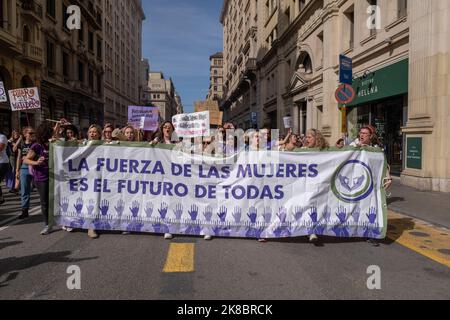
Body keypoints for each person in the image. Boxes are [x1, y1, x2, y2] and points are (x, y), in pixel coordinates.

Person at [23, 123, 53, 235]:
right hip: (41, 178)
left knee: (54, 199)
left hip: (54, 177)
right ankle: (47, 224)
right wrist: (36, 162)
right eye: (49, 132)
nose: (51, 134)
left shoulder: (52, 144)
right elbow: (26, 160)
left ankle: (57, 220)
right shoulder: (36, 146)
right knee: (44, 201)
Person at [151, 121, 179, 240]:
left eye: (169, 127)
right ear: (162, 129)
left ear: (173, 130)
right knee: (163, 201)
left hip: (175, 176)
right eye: (165, 127)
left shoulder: (177, 143)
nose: (167, 129)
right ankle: (164, 226)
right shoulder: (158, 142)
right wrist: (152, 143)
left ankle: (172, 226)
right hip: (161, 176)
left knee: (172, 201)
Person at [303, 129, 329, 243]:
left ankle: (313, 230)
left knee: (316, 207)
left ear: (316, 138)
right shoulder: (301, 151)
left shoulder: (325, 152)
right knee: (308, 206)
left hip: (320, 184)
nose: (306, 139)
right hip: (306, 185)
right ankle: (310, 231)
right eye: (306, 137)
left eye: (309, 137)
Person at [16, 127, 36, 219]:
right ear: (25, 135)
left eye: (33, 133)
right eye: (30, 133)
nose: (32, 135)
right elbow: (19, 157)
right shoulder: (22, 144)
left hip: (35, 168)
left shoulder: (36, 144)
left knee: (41, 189)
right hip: (24, 168)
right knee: (24, 190)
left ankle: (47, 208)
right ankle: (25, 210)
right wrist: (17, 170)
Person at [0, 130, 10, 205]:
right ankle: (1, 198)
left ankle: (1, 198)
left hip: (2, 163)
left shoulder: (2, 137)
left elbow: (0, 148)